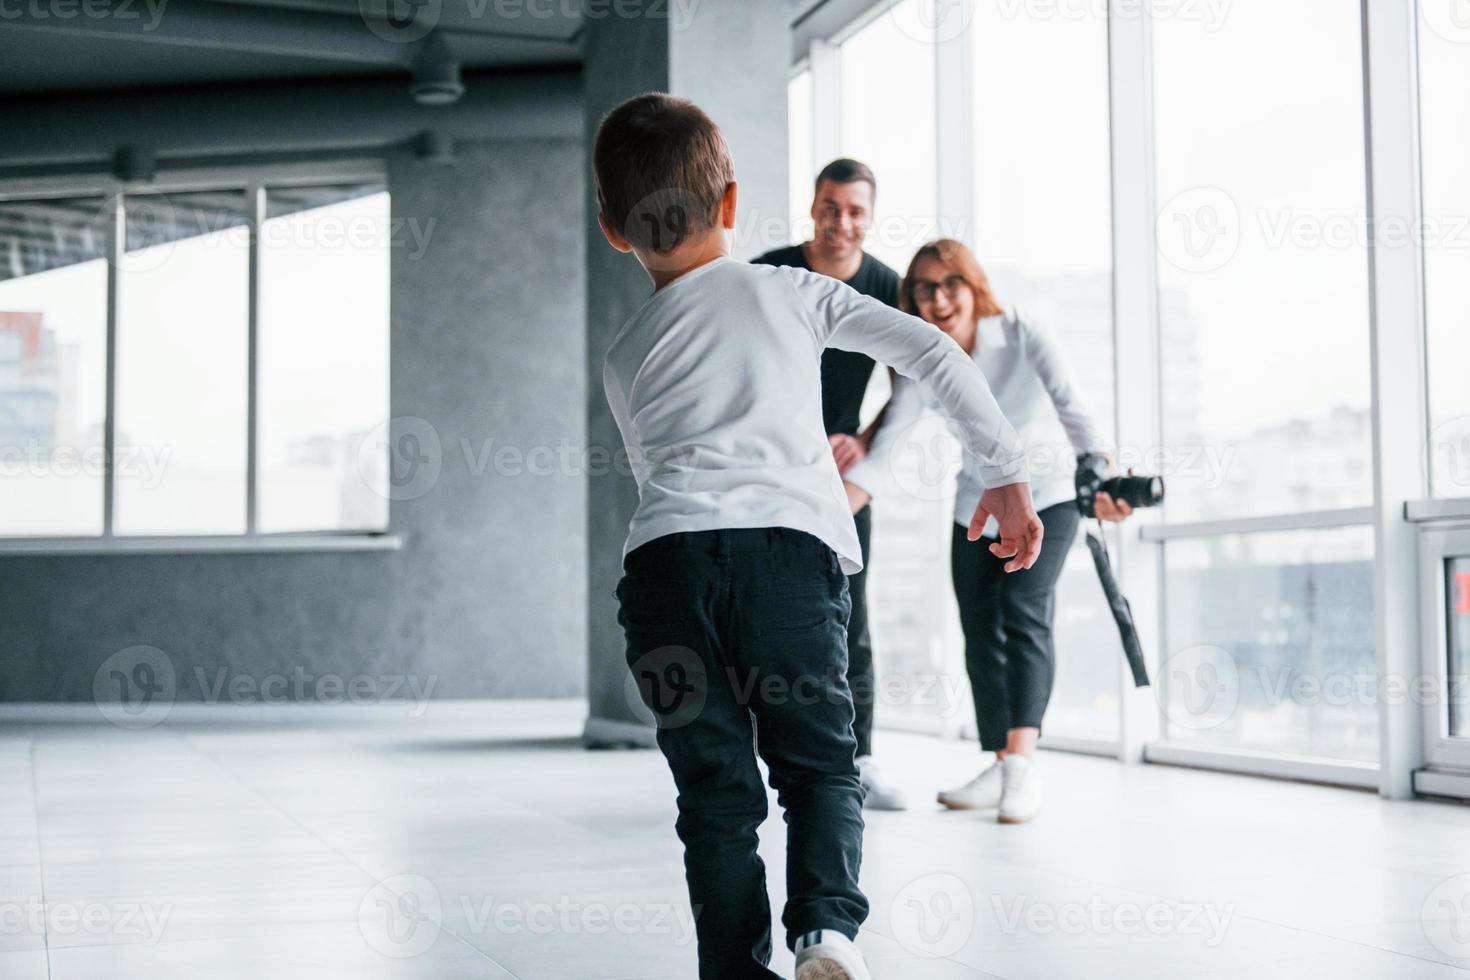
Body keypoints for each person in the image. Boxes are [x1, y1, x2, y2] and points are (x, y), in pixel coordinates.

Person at [594, 96, 1043, 979]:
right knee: (819, 768)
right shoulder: (791, 290)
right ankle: (827, 934)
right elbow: (934, 355)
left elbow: (654, 475)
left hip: (663, 574)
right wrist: (1004, 468)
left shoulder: (623, 353)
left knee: (715, 800)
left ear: (613, 230)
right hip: (785, 563)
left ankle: (733, 967)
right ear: (730, 202)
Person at [845, 238, 1132, 825]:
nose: (939, 298)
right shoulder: (923, 357)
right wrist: (835, 508)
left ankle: (1022, 768)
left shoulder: (1023, 332)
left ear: (973, 286)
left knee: (1022, 610)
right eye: (923, 288)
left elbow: (1074, 407)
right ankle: (1000, 762)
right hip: (974, 501)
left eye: (951, 283)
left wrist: (1099, 471)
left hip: (1046, 493)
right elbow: (891, 439)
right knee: (979, 626)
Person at [753, 158, 907, 811]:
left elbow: (915, 385)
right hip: (769, 474)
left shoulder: (888, 287)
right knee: (764, 618)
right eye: (829, 207)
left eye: (854, 211)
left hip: (841, 482)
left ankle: (858, 759)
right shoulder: (770, 272)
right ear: (812, 208)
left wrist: (867, 438)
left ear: (870, 218)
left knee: (851, 621)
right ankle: (773, 754)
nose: (840, 222)